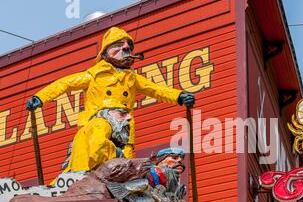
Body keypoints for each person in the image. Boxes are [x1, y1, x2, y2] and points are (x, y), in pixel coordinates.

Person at [26, 27, 195, 173]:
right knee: (96, 143)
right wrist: (41, 97)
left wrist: (179, 96)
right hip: (102, 118)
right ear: (106, 51)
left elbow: (156, 90)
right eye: (118, 45)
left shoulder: (132, 78)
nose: (126, 48)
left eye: (128, 46)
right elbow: (65, 84)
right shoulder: (94, 75)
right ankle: (90, 172)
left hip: (125, 125)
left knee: (127, 166)